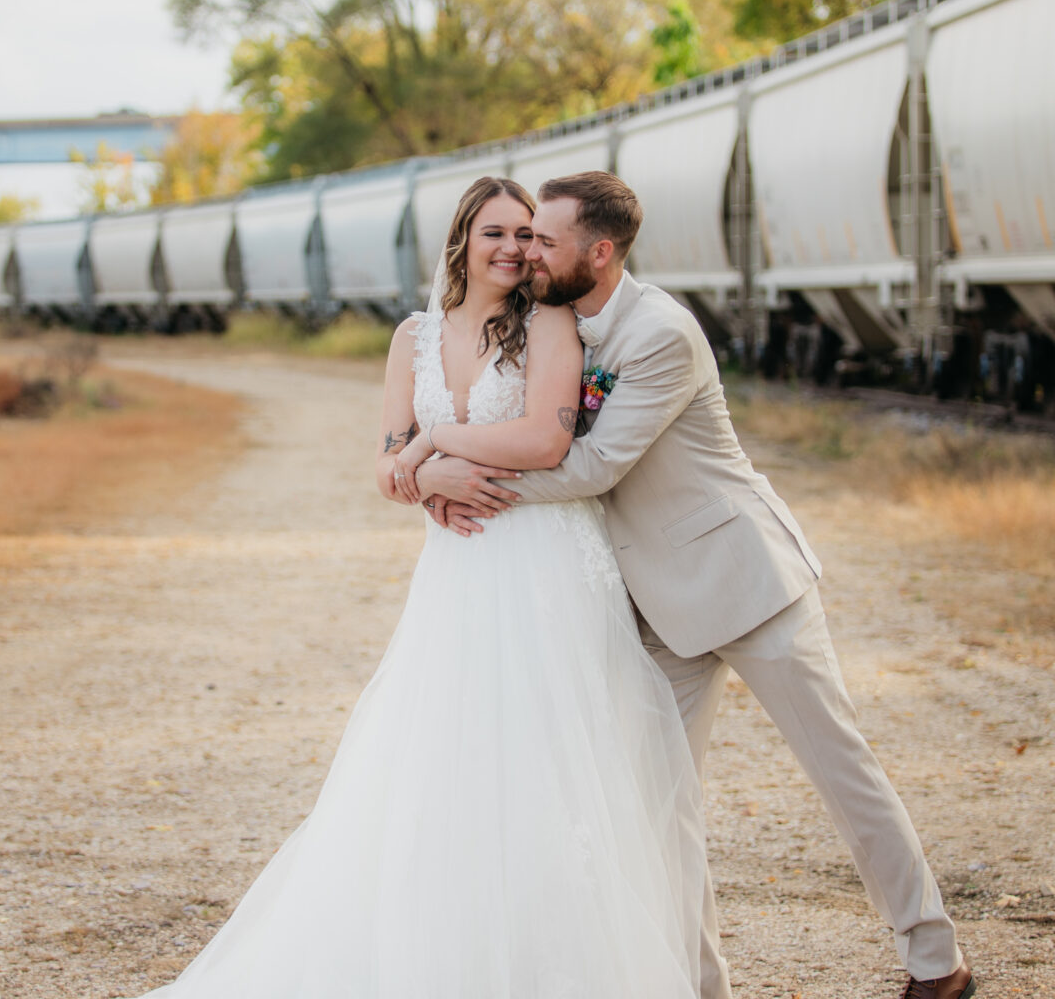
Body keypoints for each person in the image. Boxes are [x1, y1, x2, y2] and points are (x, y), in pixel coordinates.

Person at [120, 176, 707, 998]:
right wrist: (425, 478)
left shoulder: (548, 323)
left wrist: (434, 444)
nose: (513, 248)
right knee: (447, 751)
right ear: (462, 240)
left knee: (549, 754)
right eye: (495, 233)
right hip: (458, 569)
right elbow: (385, 463)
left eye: (526, 234)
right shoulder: (413, 337)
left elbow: (544, 441)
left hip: (545, 561)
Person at [408, 171, 976, 999]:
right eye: (523, 239)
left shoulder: (661, 333)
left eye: (545, 242)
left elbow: (596, 465)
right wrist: (434, 469)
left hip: (745, 583)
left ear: (599, 253)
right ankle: (701, 983)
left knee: (842, 774)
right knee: (658, 805)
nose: (528, 254)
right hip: (658, 606)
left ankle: (936, 961)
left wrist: (455, 475)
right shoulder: (556, 325)